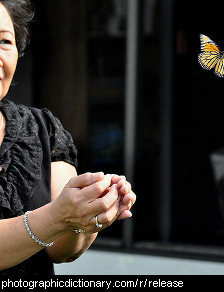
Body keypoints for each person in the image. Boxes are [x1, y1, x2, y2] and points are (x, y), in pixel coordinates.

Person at [0, 0, 136, 275]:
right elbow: (53, 219)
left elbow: (61, 250)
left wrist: (88, 212)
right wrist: (56, 216)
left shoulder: (41, 128)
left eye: (4, 41)